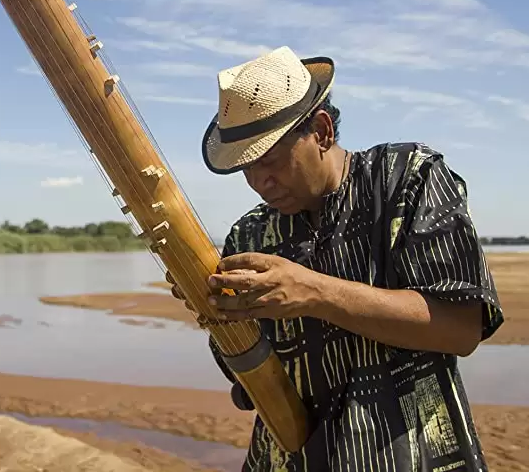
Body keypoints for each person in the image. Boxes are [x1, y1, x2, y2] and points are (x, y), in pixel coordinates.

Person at [168, 46, 504, 471]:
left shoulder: (407, 180)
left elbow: (461, 328)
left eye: (270, 162)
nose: (259, 183)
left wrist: (314, 292)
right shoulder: (249, 234)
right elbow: (247, 375)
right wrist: (215, 310)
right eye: (246, 169)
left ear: (322, 131)